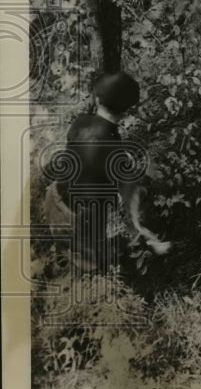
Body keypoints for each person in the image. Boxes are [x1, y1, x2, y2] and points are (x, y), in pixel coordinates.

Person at [43, 71, 169, 273]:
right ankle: (84, 267)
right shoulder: (114, 152)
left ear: (97, 99)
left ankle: (65, 254)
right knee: (94, 269)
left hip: (54, 200)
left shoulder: (80, 122)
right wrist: (143, 230)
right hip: (77, 223)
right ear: (128, 110)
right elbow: (130, 199)